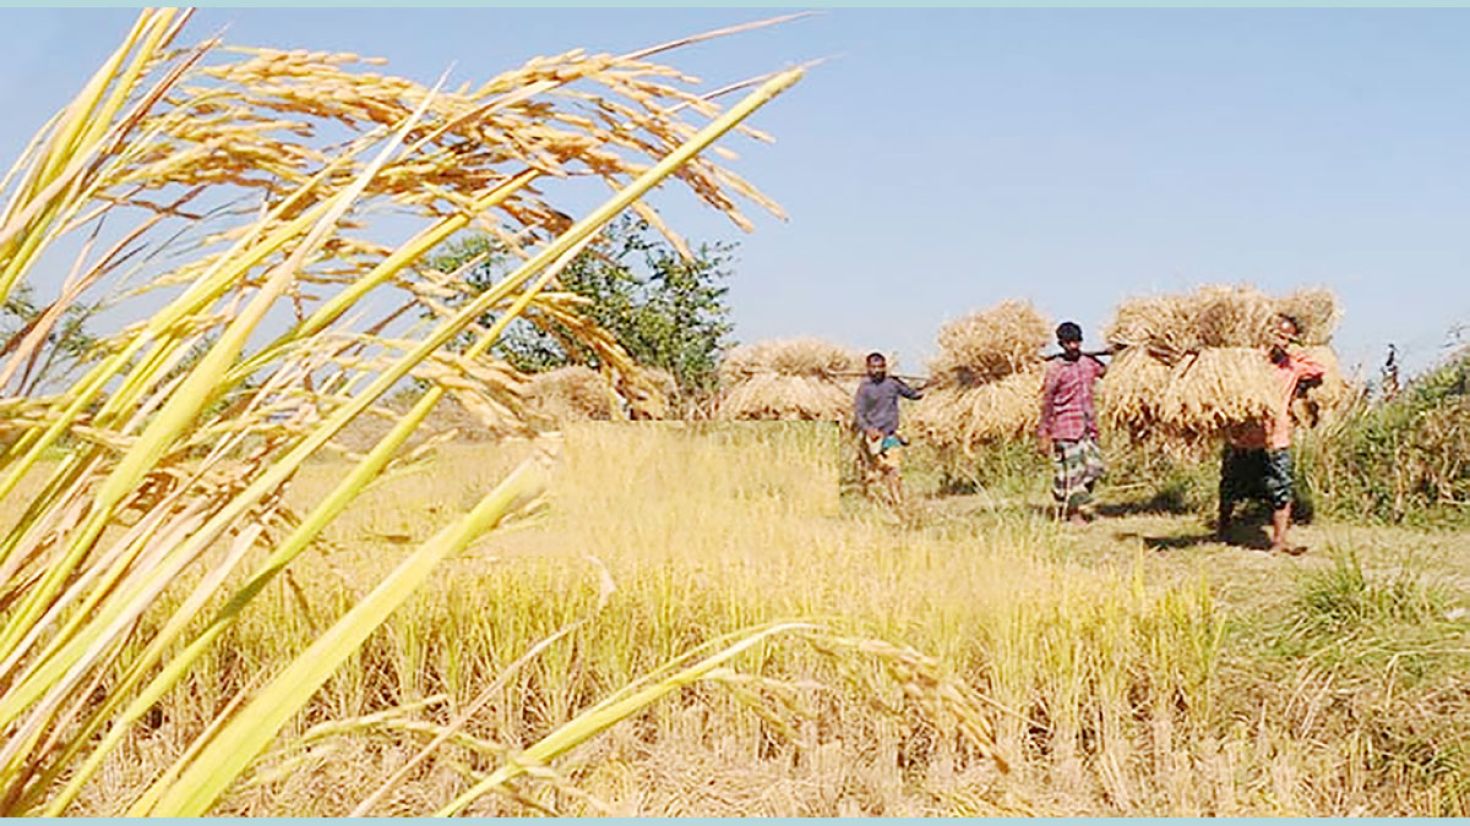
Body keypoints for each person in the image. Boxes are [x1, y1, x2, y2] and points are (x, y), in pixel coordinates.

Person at [1217, 314, 1325, 554]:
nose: (1282, 342)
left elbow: (1319, 369)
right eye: (1279, 335)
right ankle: (1223, 529)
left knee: (1281, 489)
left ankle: (1279, 542)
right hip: (1242, 438)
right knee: (1230, 487)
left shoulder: (1293, 366)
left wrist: (1294, 351)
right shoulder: (1251, 362)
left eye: (1287, 338)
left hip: (1276, 439)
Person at [1038, 322, 1108, 524]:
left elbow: (1106, 372)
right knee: (1071, 474)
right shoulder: (1055, 369)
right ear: (1061, 344)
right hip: (1065, 427)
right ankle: (1073, 514)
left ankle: (1074, 506)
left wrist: (1121, 353)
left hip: (1088, 427)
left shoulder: (1089, 363)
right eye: (1069, 343)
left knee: (1093, 468)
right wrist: (1044, 433)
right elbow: (1047, 402)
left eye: (1077, 341)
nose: (1074, 346)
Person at [853, 352, 923, 505]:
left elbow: (913, 394)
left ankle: (898, 501)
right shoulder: (864, 388)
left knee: (894, 469)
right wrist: (868, 430)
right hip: (872, 437)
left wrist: (936, 385)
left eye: (880, 367)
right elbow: (859, 414)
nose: (877, 370)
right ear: (868, 368)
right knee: (872, 473)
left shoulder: (893, 383)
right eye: (874, 367)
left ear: (885, 367)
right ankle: (874, 502)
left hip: (891, 435)